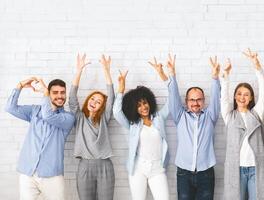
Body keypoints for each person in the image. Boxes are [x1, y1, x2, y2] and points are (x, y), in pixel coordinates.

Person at [5, 77, 75, 200]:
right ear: (49, 94)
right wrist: (20, 85)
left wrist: (45, 94)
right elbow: (10, 108)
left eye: (62, 92)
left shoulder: (68, 118)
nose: (60, 96)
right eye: (55, 92)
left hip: (52, 175)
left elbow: (48, 116)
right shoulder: (35, 111)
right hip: (28, 172)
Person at [112, 57, 170, 200]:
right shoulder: (133, 124)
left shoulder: (159, 117)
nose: (143, 107)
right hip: (138, 168)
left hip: (157, 168)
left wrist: (163, 75)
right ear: (134, 108)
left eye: (144, 103)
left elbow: (173, 99)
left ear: (149, 102)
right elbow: (117, 113)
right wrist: (120, 89)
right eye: (138, 105)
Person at [167, 54, 221, 200]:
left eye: (199, 99)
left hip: (206, 173)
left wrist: (215, 78)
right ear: (186, 101)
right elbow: (172, 97)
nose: (195, 103)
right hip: (183, 173)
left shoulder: (210, 116)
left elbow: (216, 98)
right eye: (192, 99)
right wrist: (172, 75)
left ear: (203, 101)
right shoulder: (180, 116)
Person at [221, 49, 264, 200]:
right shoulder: (229, 116)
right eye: (239, 94)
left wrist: (258, 68)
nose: (242, 97)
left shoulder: (256, 115)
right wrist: (226, 75)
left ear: (250, 98)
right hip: (236, 169)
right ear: (235, 96)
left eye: (246, 94)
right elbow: (223, 97)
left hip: (255, 169)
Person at [68, 54, 115, 200]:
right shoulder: (79, 117)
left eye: (99, 101)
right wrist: (79, 70)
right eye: (93, 98)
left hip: (105, 166)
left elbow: (111, 97)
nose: (94, 102)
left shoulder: (104, 119)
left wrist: (106, 70)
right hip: (85, 166)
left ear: (102, 106)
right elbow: (72, 98)